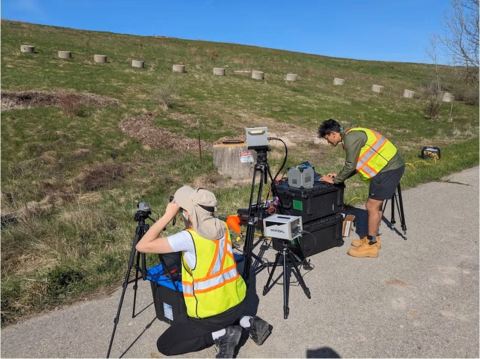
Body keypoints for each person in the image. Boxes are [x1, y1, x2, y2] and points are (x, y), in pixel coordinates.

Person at [136, 186, 272, 358]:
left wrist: (168, 215)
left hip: (212, 313)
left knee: (165, 344)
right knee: (184, 319)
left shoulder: (188, 238)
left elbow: (142, 245)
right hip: (237, 302)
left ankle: (222, 334)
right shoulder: (221, 226)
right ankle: (248, 321)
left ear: (188, 213)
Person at [317, 119, 405, 258]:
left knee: (371, 205)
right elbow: (357, 164)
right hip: (386, 168)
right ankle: (373, 238)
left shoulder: (351, 138)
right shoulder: (352, 135)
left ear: (333, 133)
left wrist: (335, 180)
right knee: (376, 205)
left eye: (327, 138)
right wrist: (339, 176)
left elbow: (351, 164)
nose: (328, 142)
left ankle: (370, 246)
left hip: (387, 169)